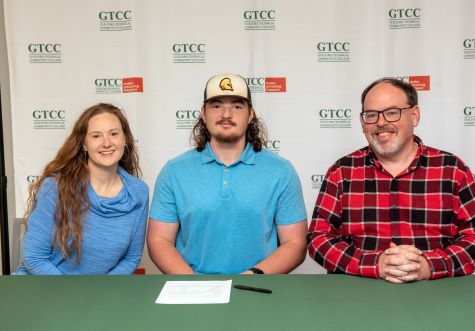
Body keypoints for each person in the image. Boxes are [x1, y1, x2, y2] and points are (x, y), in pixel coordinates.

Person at [307, 78, 475, 283]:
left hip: (437, 293)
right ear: (362, 123)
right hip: (359, 294)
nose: (380, 122)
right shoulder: (341, 172)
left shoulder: (452, 169)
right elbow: (319, 239)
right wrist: (375, 264)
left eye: (391, 113)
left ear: (414, 116)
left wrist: (428, 266)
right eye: (371, 115)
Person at [147, 73, 307, 274]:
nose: (226, 114)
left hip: (257, 288)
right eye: (216, 105)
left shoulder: (281, 171)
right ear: (203, 114)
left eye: (237, 106)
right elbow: (159, 239)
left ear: (250, 115)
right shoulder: (174, 171)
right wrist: (194, 284)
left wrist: (252, 276)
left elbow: (295, 243)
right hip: (192, 290)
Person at [15, 103, 149, 275]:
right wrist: (76, 296)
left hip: (98, 294)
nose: (106, 143)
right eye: (96, 136)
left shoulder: (139, 192)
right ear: (84, 144)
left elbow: (131, 258)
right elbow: (34, 257)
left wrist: (99, 292)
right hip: (45, 288)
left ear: (125, 140)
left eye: (114, 134)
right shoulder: (55, 188)